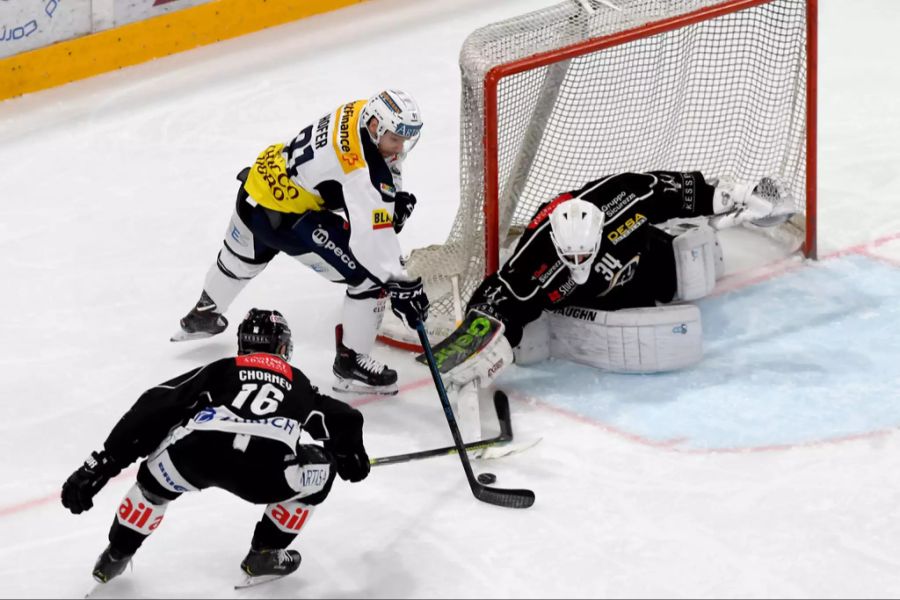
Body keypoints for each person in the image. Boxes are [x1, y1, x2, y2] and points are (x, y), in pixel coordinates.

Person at [61, 309, 371, 586]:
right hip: (265, 474)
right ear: (283, 346)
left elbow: (156, 405)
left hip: (195, 457)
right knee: (322, 468)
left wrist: (103, 463)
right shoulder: (299, 383)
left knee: (153, 486)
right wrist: (348, 456)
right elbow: (344, 418)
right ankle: (265, 554)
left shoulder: (224, 368)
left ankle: (117, 553)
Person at [428, 171, 794, 393]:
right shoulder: (536, 260)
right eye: (568, 257)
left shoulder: (624, 197)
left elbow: (677, 190)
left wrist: (744, 196)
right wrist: (479, 342)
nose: (577, 264)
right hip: (592, 303)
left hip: (642, 262)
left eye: (583, 255)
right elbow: (500, 295)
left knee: (698, 269)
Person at [171, 90, 430, 396]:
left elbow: (373, 177)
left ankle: (203, 314)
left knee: (238, 262)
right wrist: (398, 282)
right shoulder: (361, 170)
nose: (400, 147)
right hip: (286, 218)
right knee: (368, 279)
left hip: (258, 183)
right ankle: (351, 364)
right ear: (375, 126)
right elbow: (370, 239)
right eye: (395, 139)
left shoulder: (360, 110)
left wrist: (390, 201)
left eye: (405, 139)